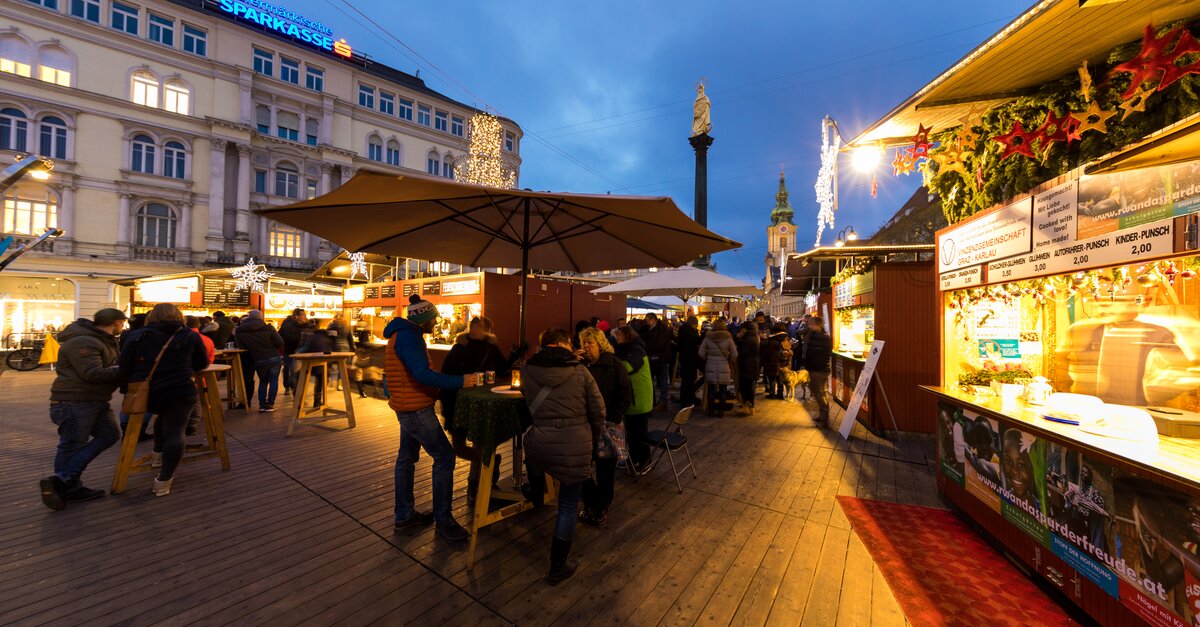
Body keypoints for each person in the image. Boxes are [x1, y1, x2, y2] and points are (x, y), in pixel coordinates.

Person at [384, 294, 476, 542]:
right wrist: (460, 381)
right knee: (445, 457)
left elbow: (402, 374)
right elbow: (422, 375)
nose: (436, 323)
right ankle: (443, 521)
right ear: (424, 319)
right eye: (434, 319)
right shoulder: (410, 337)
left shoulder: (401, 335)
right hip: (415, 409)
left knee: (406, 459)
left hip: (406, 405)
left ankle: (404, 516)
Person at [520, 327, 606, 585]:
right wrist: (591, 434)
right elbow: (599, 410)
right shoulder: (581, 372)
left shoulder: (528, 370)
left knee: (533, 457)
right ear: (563, 344)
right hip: (574, 445)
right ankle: (558, 566)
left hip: (539, 443)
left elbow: (526, 403)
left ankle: (535, 493)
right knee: (567, 506)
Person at [40, 308, 128, 510]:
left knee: (109, 435)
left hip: (91, 399)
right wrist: (125, 371)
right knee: (72, 444)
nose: (123, 327)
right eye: (122, 323)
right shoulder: (84, 341)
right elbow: (92, 373)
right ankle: (66, 484)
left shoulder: (99, 340)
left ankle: (64, 480)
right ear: (116, 322)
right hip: (75, 400)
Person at [119, 303, 209, 497]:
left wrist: (126, 388)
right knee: (176, 430)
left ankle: (157, 456)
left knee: (162, 418)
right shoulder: (189, 335)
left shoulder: (136, 335)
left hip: (147, 391)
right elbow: (201, 364)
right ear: (179, 315)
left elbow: (124, 366)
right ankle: (164, 480)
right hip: (180, 390)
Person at [439, 316, 513, 506]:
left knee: (479, 444)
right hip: (457, 402)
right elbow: (446, 372)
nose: (474, 327)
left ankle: (475, 488)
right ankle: (491, 461)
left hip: (482, 404)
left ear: (487, 329)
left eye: (478, 325)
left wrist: (515, 354)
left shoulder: (491, 348)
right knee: (459, 447)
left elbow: (504, 369)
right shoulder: (459, 347)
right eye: (473, 325)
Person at [578, 327, 632, 526]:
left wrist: (612, 418)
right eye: (583, 343)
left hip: (608, 425)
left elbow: (626, 393)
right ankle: (593, 501)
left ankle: (601, 507)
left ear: (600, 345)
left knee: (605, 470)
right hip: (585, 426)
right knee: (580, 467)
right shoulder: (580, 366)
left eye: (590, 343)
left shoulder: (613, 365)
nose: (586, 347)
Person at [614, 326, 653, 470]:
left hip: (639, 398)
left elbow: (627, 367)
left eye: (619, 334)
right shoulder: (627, 349)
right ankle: (633, 458)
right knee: (631, 433)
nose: (617, 337)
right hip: (632, 399)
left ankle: (645, 461)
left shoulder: (637, 350)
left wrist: (610, 359)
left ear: (627, 336)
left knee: (640, 433)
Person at [235, 309, 284, 412]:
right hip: (273, 357)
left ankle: (262, 405)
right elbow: (280, 342)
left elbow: (241, 347)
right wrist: (272, 347)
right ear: (260, 317)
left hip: (258, 359)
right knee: (273, 380)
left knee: (263, 382)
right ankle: (270, 405)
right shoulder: (268, 328)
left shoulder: (240, 330)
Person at [117, 312, 149, 440]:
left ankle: (126, 430)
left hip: (126, 373)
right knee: (145, 403)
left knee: (127, 401)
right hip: (140, 373)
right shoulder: (144, 336)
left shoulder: (125, 335)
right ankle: (139, 432)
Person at [698, 319, 737, 418]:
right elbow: (735, 354)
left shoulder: (708, 337)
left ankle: (711, 411)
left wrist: (707, 358)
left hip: (710, 365)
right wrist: (728, 360)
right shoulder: (728, 338)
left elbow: (700, 352)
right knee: (723, 389)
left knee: (711, 388)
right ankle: (721, 412)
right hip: (724, 365)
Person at [184, 316, 216, 435]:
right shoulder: (207, 340)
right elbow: (209, 360)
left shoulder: (178, 338)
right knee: (197, 398)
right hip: (201, 376)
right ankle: (193, 424)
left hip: (181, 377)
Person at [802, 316, 833, 426]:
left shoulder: (824, 337)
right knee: (820, 392)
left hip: (819, 369)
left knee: (819, 393)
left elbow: (822, 355)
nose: (809, 326)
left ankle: (824, 418)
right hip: (815, 368)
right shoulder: (814, 335)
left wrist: (812, 366)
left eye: (811, 324)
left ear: (818, 325)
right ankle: (823, 415)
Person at [640, 313, 673, 410]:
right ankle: (653, 401)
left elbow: (660, 344)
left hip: (660, 358)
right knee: (651, 380)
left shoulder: (662, 329)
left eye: (648, 320)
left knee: (662, 381)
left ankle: (663, 402)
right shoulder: (648, 329)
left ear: (654, 319)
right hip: (652, 357)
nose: (647, 323)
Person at [298, 322, 334, 407]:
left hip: (311, 366)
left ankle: (300, 400)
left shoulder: (312, 338)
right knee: (321, 381)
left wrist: (299, 351)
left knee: (299, 377)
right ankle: (317, 401)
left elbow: (304, 350)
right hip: (323, 366)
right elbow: (330, 353)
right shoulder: (328, 340)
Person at [278, 308, 307, 395]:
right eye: (303, 315)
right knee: (290, 370)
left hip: (301, 352)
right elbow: (287, 338)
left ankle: (294, 390)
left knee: (296, 371)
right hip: (290, 351)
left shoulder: (304, 325)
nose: (305, 317)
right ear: (296, 316)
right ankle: (291, 389)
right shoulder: (288, 325)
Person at [733, 321, 760, 416]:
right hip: (752, 365)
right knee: (749, 387)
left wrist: (738, 339)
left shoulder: (748, 338)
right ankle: (750, 407)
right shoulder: (754, 336)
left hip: (747, 366)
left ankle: (748, 408)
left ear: (745, 329)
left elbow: (742, 352)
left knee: (745, 387)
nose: (741, 330)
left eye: (742, 328)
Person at [676, 316, 702, 408]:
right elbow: (696, 340)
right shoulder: (688, 331)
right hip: (689, 360)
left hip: (685, 359)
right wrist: (702, 334)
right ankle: (687, 400)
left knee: (686, 381)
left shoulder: (683, 330)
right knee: (688, 381)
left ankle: (687, 399)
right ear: (693, 324)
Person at [762, 324, 792, 400]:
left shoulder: (771, 339)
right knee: (780, 378)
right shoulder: (786, 338)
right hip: (783, 361)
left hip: (772, 361)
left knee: (772, 378)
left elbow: (768, 352)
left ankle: (772, 394)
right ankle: (780, 394)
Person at [326, 316, 353, 391]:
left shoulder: (332, 326)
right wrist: (354, 348)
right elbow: (350, 339)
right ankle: (339, 384)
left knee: (330, 365)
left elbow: (330, 338)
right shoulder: (347, 327)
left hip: (335, 347)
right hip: (345, 348)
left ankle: (328, 381)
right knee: (342, 367)